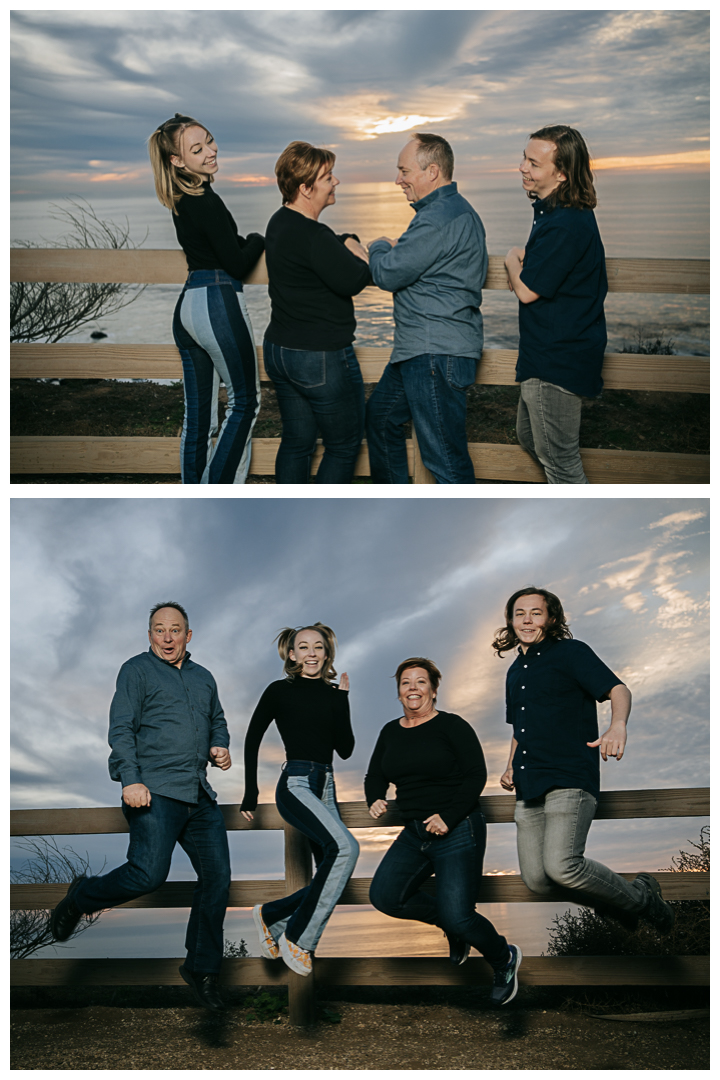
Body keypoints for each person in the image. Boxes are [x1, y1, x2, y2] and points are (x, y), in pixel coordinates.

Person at [49, 603, 233, 1011]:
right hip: (153, 791)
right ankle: (81, 898)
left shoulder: (204, 678)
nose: (167, 638)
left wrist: (220, 744)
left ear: (189, 634)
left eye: (175, 630)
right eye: (158, 630)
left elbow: (217, 718)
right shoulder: (135, 670)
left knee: (218, 878)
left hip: (199, 795)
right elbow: (121, 727)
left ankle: (202, 968)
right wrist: (130, 779)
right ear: (149, 634)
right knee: (148, 874)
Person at [494, 586, 675, 931]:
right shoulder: (514, 671)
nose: (527, 620)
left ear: (551, 618)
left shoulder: (571, 653)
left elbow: (618, 689)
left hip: (569, 777)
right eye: (520, 613)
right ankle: (620, 904)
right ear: (511, 621)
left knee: (562, 865)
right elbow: (521, 728)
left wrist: (617, 725)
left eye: (536, 612)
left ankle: (642, 899)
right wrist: (509, 765)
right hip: (529, 784)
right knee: (537, 880)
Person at [365, 658, 522, 1007]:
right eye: (406, 683)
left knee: (460, 914)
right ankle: (453, 928)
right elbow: (375, 774)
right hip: (415, 832)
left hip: (458, 828)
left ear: (434, 690)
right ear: (399, 692)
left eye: (421, 682)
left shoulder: (452, 726)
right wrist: (374, 797)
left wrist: (448, 817)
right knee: (385, 896)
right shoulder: (390, 731)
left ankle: (503, 958)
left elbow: (475, 775)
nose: (413, 688)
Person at [148, 113, 265, 484]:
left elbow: (215, 250)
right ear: (177, 161)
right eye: (197, 149)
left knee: (198, 418)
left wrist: (238, 244)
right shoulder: (206, 202)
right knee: (245, 402)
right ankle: (217, 491)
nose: (210, 151)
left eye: (209, 141)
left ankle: (191, 489)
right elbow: (235, 262)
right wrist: (258, 241)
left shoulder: (182, 199)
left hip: (188, 306)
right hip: (217, 301)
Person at [365, 133, 487, 484]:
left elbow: (388, 273)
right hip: (421, 350)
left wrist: (377, 247)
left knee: (446, 461)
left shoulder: (437, 218)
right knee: (380, 417)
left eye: (404, 171)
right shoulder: (457, 211)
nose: (398, 180)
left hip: (434, 353)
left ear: (432, 171)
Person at [240, 623, 358, 975]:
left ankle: (271, 915)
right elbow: (252, 738)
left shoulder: (333, 694)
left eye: (318, 647)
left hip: (327, 786)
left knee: (333, 872)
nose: (311, 653)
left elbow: (346, 749)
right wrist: (250, 791)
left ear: (327, 654)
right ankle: (300, 940)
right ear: (291, 655)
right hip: (296, 783)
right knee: (347, 849)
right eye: (303, 647)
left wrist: (343, 700)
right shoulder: (279, 691)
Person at [263, 142, 372, 483]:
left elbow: (319, 248)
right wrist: (366, 252)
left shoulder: (279, 222)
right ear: (305, 188)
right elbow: (355, 277)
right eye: (327, 177)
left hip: (280, 350)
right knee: (343, 444)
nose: (335, 181)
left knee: (297, 442)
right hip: (318, 357)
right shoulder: (315, 236)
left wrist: (346, 238)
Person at [504, 126, 608, 484]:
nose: (522, 167)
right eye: (524, 158)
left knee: (562, 463)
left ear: (561, 173)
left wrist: (511, 261)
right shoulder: (558, 214)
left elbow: (528, 290)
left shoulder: (565, 223)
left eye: (534, 163)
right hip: (549, 354)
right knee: (530, 437)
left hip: (556, 360)